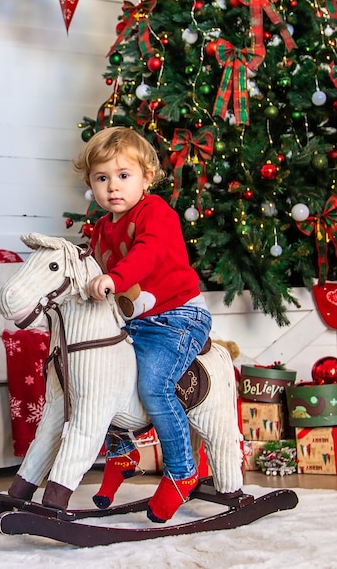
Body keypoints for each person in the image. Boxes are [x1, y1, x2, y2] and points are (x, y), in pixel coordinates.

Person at [73, 126, 212, 523]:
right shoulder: (101, 229)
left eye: (123, 175)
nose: (112, 187)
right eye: (102, 178)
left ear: (147, 177)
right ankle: (122, 452)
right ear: (91, 184)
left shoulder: (156, 214)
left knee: (154, 386)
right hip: (137, 322)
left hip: (177, 315)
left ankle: (183, 471)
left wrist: (113, 279)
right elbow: (90, 264)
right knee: (97, 379)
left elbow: (147, 254)